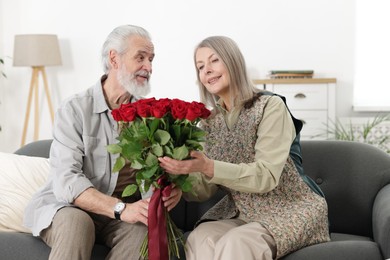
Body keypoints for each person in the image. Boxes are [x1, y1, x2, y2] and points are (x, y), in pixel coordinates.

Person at [158, 36, 330, 260]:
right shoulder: (209, 121)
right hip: (243, 211)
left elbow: (266, 176)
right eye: (200, 67)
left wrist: (209, 166)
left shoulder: (270, 106)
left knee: (236, 242)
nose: (207, 70)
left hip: (289, 207)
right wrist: (180, 180)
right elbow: (205, 189)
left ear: (233, 62)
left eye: (214, 61)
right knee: (201, 238)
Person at [23, 25, 182, 260]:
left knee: (142, 233)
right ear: (114, 58)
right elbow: (66, 179)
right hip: (70, 208)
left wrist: (169, 190)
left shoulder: (150, 116)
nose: (148, 67)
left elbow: (155, 177)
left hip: (123, 217)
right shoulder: (75, 109)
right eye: (140, 57)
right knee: (78, 224)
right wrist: (120, 208)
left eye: (151, 59)